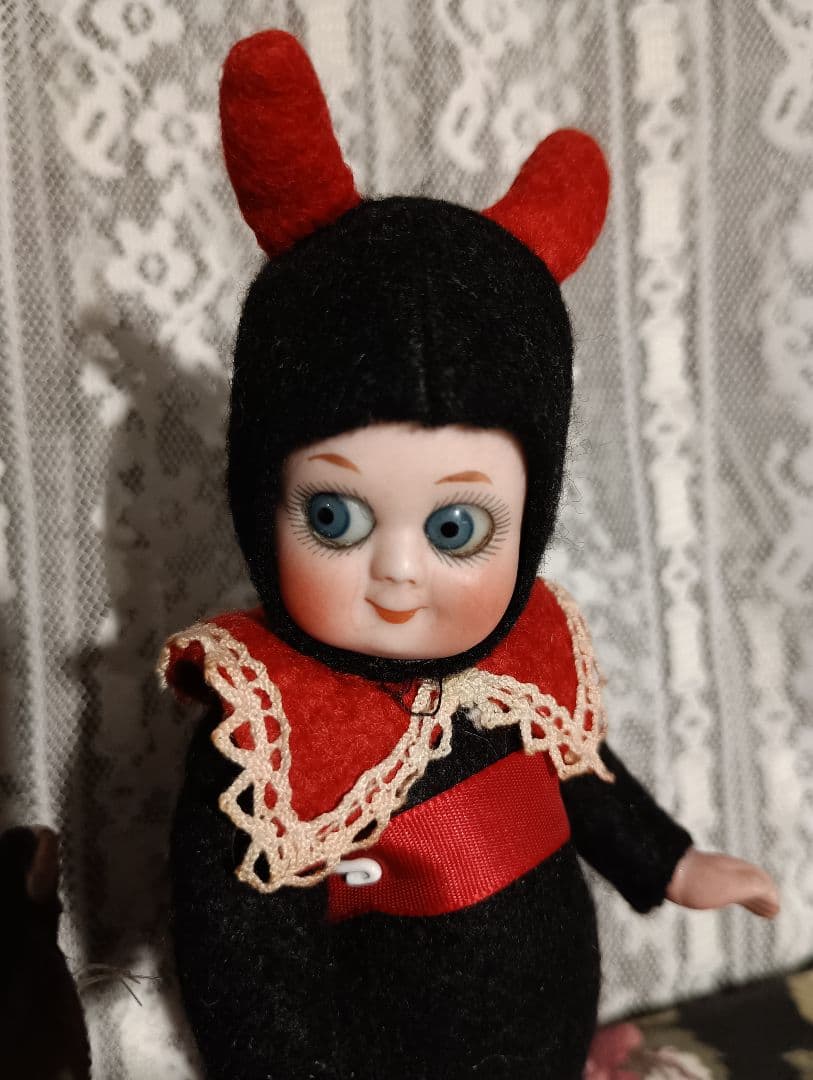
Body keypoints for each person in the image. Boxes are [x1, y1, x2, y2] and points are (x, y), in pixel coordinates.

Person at [161, 30, 779, 1080]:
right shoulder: (269, 733)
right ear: (261, 496)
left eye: (456, 530)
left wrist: (670, 862)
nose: (398, 575)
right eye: (336, 519)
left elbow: (580, 775)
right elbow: (243, 962)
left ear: (530, 518)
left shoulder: (518, 665)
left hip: (551, 1034)